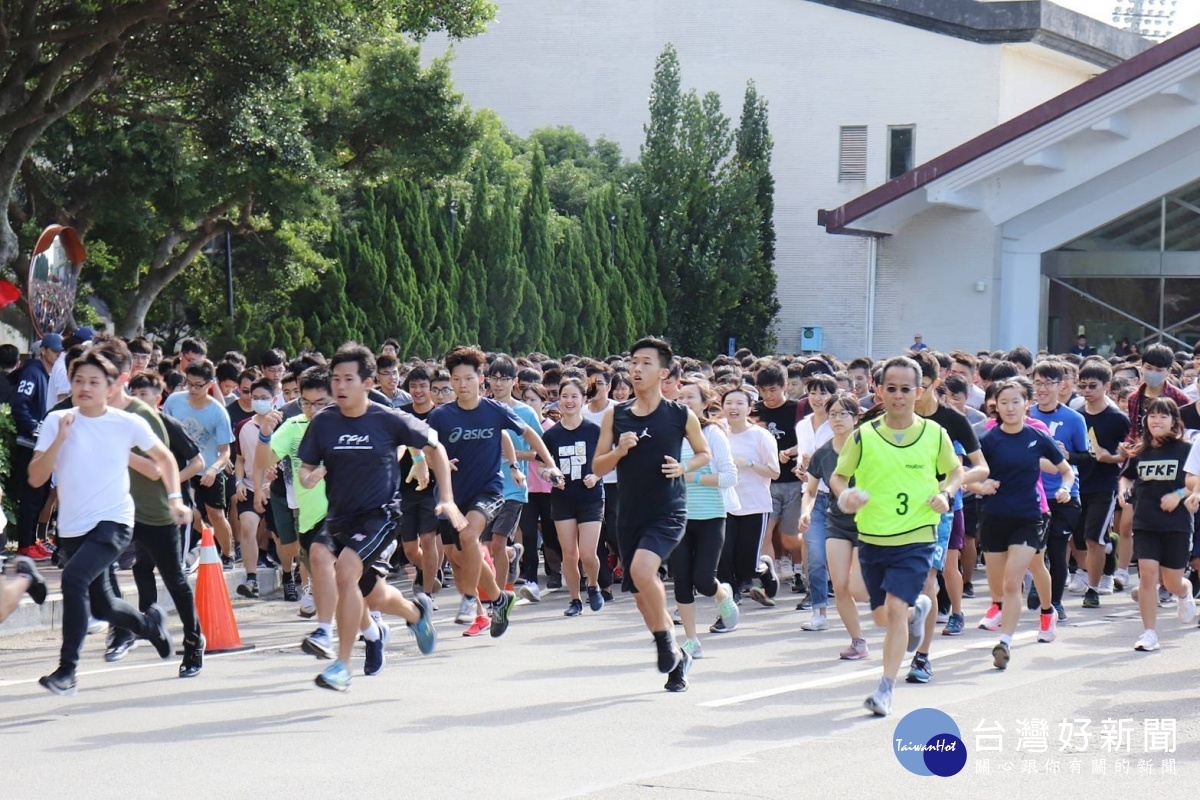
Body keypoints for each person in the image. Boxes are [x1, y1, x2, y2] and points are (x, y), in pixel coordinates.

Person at [297, 344, 459, 691]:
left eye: (348, 379)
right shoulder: (324, 422)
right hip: (339, 516)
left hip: (380, 517)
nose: (340, 386)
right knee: (367, 590)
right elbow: (307, 466)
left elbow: (436, 447)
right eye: (335, 379)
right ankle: (415, 614)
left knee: (346, 573)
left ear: (368, 382)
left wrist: (446, 498)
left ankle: (339, 660)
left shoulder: (387, 418)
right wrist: (308, 476)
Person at [30, 350, 191, 695]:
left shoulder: (126, 422)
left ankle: (67, 671)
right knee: (102, 605)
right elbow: (35, 476)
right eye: (78, 381)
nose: (84, 388)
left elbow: (164, 459)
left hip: (114, 522)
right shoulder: (58, 421)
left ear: (110, 387)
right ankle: (150, 626)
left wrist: (175, 498)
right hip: (73, 527)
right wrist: (60, 439)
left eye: (93, 382)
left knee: (73, 579)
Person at [831, 356, 965, 717]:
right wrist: (845, 496)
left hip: (917, 536)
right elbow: (839, 476)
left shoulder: (936, 434)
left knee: (893, 608)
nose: (899, 396)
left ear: (919, 392)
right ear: (878, 390)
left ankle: (885, 689)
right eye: (891, 389)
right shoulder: (864, 435)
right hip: (873, 537)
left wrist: (946, 494)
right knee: (881, 616)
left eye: (906, 389)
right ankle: (918, 610)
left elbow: (955, 472)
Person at [594, 337, 711, 693]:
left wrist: (684, 466)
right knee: (642, 593)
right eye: (633, 362)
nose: (637, 368)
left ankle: (663, 640)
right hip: (629, 514)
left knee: (643, 571)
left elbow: (703, 453)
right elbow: (598, 466)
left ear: (663, 372)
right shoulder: (617, 413)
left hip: (668, 510)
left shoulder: (679, 414)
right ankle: (678, 656)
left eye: (645, 363)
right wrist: (619, 450)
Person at [426, 346, 562, 638]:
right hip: (451, 495)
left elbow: (530, 434)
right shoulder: (441, 416)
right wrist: (433, 463)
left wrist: (550, 464)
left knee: (469, 535)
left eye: (468, 378)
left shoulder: (495, 410)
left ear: (481, 379)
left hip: (488, 490)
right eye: (456, 379)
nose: (462, 385)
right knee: (457, 554)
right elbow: (424, 447)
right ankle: (500, 598)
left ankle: (468, 599)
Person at [970, 380, 1074, 670]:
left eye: (1016, 401)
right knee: (998, 586)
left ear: (1026, 403)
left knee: (1013, 581)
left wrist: (1065, 488)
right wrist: (981, 486)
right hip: (993, 516)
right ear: (996, 407)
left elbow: (1065, 470)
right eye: (1004, 402)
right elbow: (969, 475)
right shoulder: (988, 440)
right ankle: (1020, 612)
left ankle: (1005, 641)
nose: (1010, 407)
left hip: (1030, 515)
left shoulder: (1037, 436)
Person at [1123, 398, 1199, 651]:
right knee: (1147, 575)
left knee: (1172, 582)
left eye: (1163, 416)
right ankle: (1149, 633)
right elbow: (1127, 478)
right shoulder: (1140, 451)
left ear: (1175, 422)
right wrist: (1124, 492)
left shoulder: (1186, 449)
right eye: (1152, 415)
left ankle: (1184, 591)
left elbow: (1195, 482)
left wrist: (1178, 495)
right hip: (1145, 522)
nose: (1157, 420)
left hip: (1177, 524)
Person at [673, 380, 739, 647]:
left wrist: (693, 477)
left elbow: (730, 476)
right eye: (680, 398)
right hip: (677, 517)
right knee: (681, 580)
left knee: (703, 580)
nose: (685, 402)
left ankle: (723, 595)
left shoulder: (712, 433)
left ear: (704, 402)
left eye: (691, 397)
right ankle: (691, 640)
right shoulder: (671, 434)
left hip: (711, 516)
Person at [803, 392, 870, 659]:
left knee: (859, 590)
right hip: (838, 522)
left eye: (844, 413)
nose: (837, 419)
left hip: (869, 523)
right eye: (832, 414)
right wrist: (805, 512)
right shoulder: (823, 453)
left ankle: (904, 607)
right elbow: (810, 490)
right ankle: (858, 641)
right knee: (840, 585)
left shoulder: (869, 446)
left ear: (856, 417)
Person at [1068, 361, 1130, 609]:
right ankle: (1098, 557)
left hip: (1104, 486)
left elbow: (1131, 454)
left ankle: (1092, 589)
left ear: (1107, 386)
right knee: (1078, 537)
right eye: (1082, 386)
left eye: (1092, 386)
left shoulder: (1117, 418)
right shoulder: (1076, 416)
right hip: (1077, 483)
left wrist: (1111, 457)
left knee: (1093, 539)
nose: (1087, 391)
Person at [542, 377, 606, 617]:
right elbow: (542, 465)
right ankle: (575, 600)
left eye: (574, 396)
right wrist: (550, 474)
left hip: (590, 497)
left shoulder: (594, 431)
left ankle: (593, 584)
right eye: (565, 396)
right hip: (562, 499)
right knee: (569, 554)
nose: (569, 401)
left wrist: (597, 475)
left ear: (583, 399)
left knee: (588, 553)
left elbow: (607, 460)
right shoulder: (551, 435)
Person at [163, 358, 236, 568]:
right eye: (189, 383)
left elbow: (225, 451)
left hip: (210, 470)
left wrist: (213, 469)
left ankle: (227, 552)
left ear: (210, 384)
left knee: (216, 514)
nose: (192, 389)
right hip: (183, 468)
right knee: (188, 513)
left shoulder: (218, 412)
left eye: (198, 385)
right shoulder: (174, 401)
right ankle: (204, 537)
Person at [723, 387, 781, 610]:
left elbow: (774, 472)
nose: (733, 408)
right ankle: (732, 595)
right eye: (729, 403)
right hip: (727, 503)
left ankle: (764, 568)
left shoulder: (760, 436)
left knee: (747, 563)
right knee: (725, 555)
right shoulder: (720, 434)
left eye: (739, 403)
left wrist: (747, 463)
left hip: (754, 504)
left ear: (749, 408)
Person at [10, 333, 62, 560]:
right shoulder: (33, 373)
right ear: (43, 350)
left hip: (42, 445)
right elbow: (19, 404)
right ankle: (25, 543)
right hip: (30, 444)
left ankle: (32, 540)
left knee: (39, 495)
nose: (59, 354)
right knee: (32, 496)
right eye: (55, 350)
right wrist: (35, 428)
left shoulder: (49, 374)